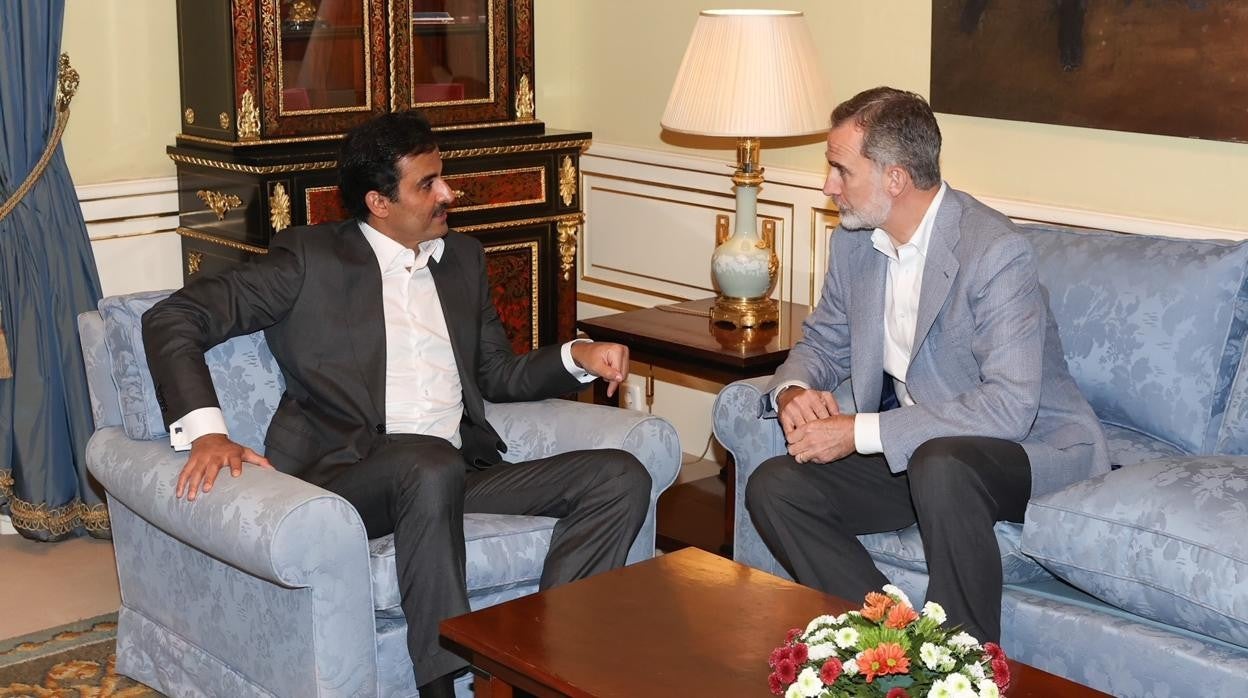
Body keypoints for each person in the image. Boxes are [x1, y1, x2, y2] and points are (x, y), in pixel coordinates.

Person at [142, 110, 652, 697]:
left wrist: (575, 357)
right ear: (378, 203)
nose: (448, 192)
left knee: (619, 475)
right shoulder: (309, 259)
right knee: (426, 464)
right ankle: (441, 688)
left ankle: (542, 666)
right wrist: (207, 432)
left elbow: (496, 373)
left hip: (459, 471)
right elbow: (174, 318)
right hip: (348, 477)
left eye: (443, 177)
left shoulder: (462, 259)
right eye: (427, 184)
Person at [745, 87, 1109, 644]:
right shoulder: (855, 244)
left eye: (841, 170)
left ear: (895, 178)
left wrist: (859, 431)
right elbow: (824, 340)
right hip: (920, 450)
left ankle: (969, 660)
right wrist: (794, 388)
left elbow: (1009, 407)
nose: (828, 186)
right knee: (776, 486)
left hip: (1027, 449)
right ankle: (893, 642)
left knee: (941, 465)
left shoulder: (992, 252)